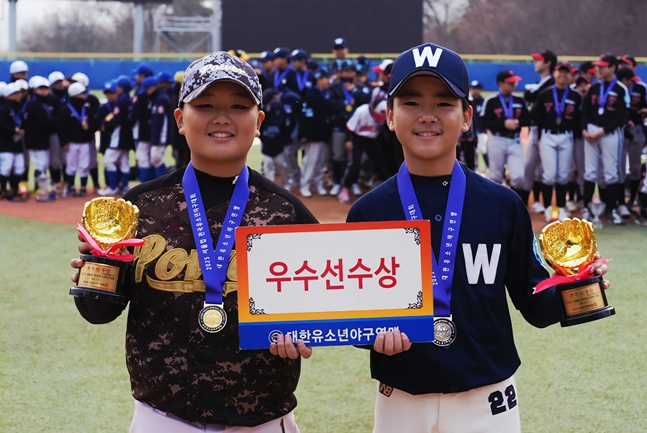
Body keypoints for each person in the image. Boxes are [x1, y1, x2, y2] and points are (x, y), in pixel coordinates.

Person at [345, 41, 611, 433]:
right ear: (389, 115)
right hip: (400, 394)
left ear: (467, 116)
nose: (427, 115)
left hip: (488, 397)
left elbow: (534, 304)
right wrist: (372, 336)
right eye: (411, 102)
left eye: (444, 103)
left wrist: (582, 287)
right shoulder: (368, 212)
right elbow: (353, 316)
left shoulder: (501, 205)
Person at [69, 51, 314, 432]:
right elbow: (96, 313)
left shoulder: (287, 212)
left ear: (259, 121)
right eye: (205, 105)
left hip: (262, 419)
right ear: (181, 120)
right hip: (161, 418)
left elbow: (322, 309)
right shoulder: (139, 207)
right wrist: (97, 271)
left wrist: (302, 332)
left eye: (238, 105)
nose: (222, 117)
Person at [581, 53, 629, 227]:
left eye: (602, 66)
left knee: (610, 172)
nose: (598, 69)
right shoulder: (594, 88)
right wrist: (584, 129)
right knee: (590, 171)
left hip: (610, 133)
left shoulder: (621, 89)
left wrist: (602, 131)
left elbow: (622, 117)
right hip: (591, 131)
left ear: (612, 68)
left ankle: (611, 210)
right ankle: (586, 208)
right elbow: (585, 112)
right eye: (597, 66)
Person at [530, 61, 582, 222]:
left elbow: (578, 119)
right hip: (548, 135)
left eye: (566, 72)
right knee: (549, 174)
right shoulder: (545, 94)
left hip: (566, 136)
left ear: (571, 76)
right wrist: (539, 137)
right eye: (560, 72)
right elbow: (536, 116)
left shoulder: (575, 96)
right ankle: (548, 208)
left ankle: (561, 207)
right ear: (554, 73)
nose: (563, 75)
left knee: (563, 175)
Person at [480, 69, 530, 200]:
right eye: (510, 82)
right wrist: (503, 124)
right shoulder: (491, 101)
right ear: (500, 83)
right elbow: (483, 122)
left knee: (519, 177)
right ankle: (497, 204)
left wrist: (518, 122)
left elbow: (528, 119)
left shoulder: (519, 100)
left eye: (515, 82)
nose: (514, 84)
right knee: (495, 177)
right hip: (496, 139)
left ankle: (516, 203)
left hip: (515, 140)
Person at [523, 50, 558, 214]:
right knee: (533, 166)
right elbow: (529, 96)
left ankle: (537, 201)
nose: (536, 63)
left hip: (546, 129)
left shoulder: (550, 82)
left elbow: (530, 95)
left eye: (539, 60)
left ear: (548, 63)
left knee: (538, 168)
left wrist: (530, 93)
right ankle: (533, 200)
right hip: (537, 128)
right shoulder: (541, 82)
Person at [58, 81, 98, 197]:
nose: (84, 95)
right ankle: (71, 187)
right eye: (82, 93)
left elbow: (95, 124)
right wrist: (64, 142)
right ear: (75, 94)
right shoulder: (65, 110)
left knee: (84, 164)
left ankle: (83, 187)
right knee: (71, 165)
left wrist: (89, 127)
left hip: (85, 142)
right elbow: (61, 127)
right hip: (71, 143)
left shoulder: (87, 109)